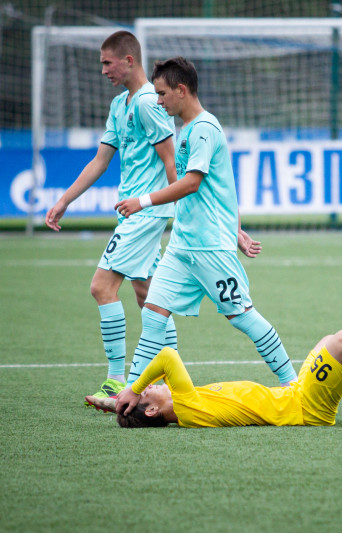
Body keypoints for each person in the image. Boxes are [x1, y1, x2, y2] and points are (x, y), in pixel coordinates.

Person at [113, 56, 297, 388]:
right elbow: (225, 186)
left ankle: (292, 383)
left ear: (181, 90)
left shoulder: (204, 129)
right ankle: (129, 392)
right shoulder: (187, 130)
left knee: (240, 316)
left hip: (210, 246)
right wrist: (238, 229)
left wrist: (142, 201)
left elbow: (194, 183)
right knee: (153, 313)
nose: (158, 100)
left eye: (162, 93)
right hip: (183, 245)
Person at [44, 30, 181, 406]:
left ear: (128, 61)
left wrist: (181, 212)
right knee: (148, 296)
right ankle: (172, 378)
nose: (103, 69)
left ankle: (115, 381)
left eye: (107, 62)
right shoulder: (121, 105)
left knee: (101, 287)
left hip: (146, 212)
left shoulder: (150, 105)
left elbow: (172, 162)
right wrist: (65, 200)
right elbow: (100, 160)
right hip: (134, 214)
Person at [85, 329, 342, 428]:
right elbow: (167, 356)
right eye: (149, 392)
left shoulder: (186, 407)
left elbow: (156, 379)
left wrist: (116, 401)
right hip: (304, 407)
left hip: (293, 395)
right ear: (151, 412)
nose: (151, 385)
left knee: (335, 354)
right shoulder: (187, 406)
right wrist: (132, 387)